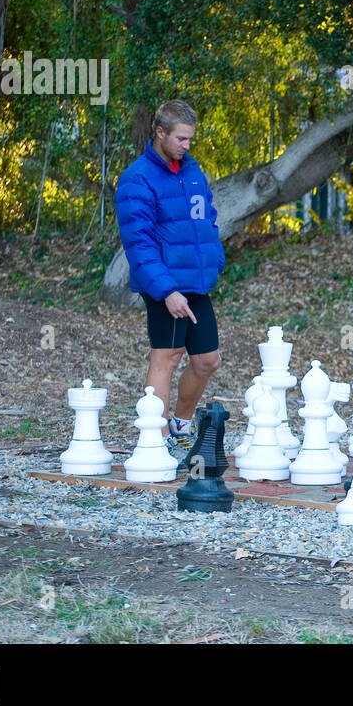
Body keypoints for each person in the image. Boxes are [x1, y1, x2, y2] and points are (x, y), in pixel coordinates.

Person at [115, 100, 225, 465]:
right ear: (159, 132)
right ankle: (156, 438)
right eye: (181, 138)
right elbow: (139, 245)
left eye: (191, 139)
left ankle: (181, 424)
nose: (187, 145)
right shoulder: (137, 179)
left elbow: (206, 219)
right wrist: (166, 291)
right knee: (168, 356)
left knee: (208, 360)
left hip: (195, 282)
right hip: (164, 285)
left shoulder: (192, 172)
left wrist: (215, 259)